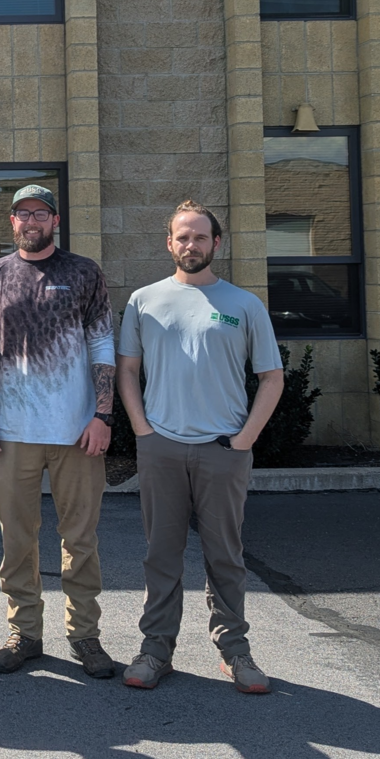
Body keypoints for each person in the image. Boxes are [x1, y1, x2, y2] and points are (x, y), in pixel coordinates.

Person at [116, 199, 284, 694]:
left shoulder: (244, 305)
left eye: (201, 237)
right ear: (169, 244)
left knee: (226, 556)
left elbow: (271, 378)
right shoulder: (144, 301)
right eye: (182, 237)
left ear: (216, 242)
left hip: (223, 449)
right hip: (161, 447)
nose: (191, 245)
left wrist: (244, 439)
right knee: (160, 556)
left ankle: (236, 652)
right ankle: (155, 651)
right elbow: (127, 371)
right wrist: (143, 431)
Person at [0, 184, 118, 681]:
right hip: (12, 431)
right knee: (18, 539)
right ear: (12, 222)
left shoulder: (84, 273)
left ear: (55, 220)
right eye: (22, 214)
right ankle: (25, 633)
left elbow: (102, 344)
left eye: (40, 213)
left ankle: (84, 635)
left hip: (77, 431)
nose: (31, 221)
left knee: (80, 538)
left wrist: (103, 415)